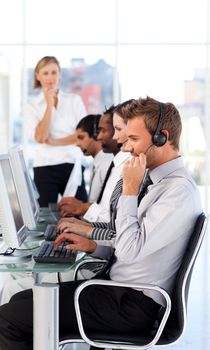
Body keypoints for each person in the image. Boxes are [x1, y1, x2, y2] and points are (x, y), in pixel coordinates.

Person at [0, 96, 202, 350]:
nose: (126, 148)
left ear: (162, 137)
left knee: (9, 319)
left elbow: (130, 250)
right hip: (116, 291)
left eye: (133, 139)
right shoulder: (157, 183)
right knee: (19, 301)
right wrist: (91, 244)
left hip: (133, 305)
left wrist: (129, 190)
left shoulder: (177, 191)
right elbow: (130, 238)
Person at [25, 56, 87, 207]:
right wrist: (49, 105)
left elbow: (83, 135)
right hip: (44, 167)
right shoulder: (32, 106)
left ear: (60, 74)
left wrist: (54, 141)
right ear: (37, 76)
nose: (50, 77)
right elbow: (40, 137)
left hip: (72, 164)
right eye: (45, 73)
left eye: (54, 72)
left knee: (80, 213)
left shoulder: (74, 100)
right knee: (44, 216)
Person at [59, 105, 130, 222]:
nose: (99, 136)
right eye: (98, 131)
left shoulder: (119, 166)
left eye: (103, 130)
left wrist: (82, 208)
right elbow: (105, 210)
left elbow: (113, 219)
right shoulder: (113, 163)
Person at [58, 113, 113, 207]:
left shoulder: (107, 164)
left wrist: (80, 207)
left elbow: (107, 208)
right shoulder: (95, 162)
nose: (77, 144)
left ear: (96, 135)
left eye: (81, 137)